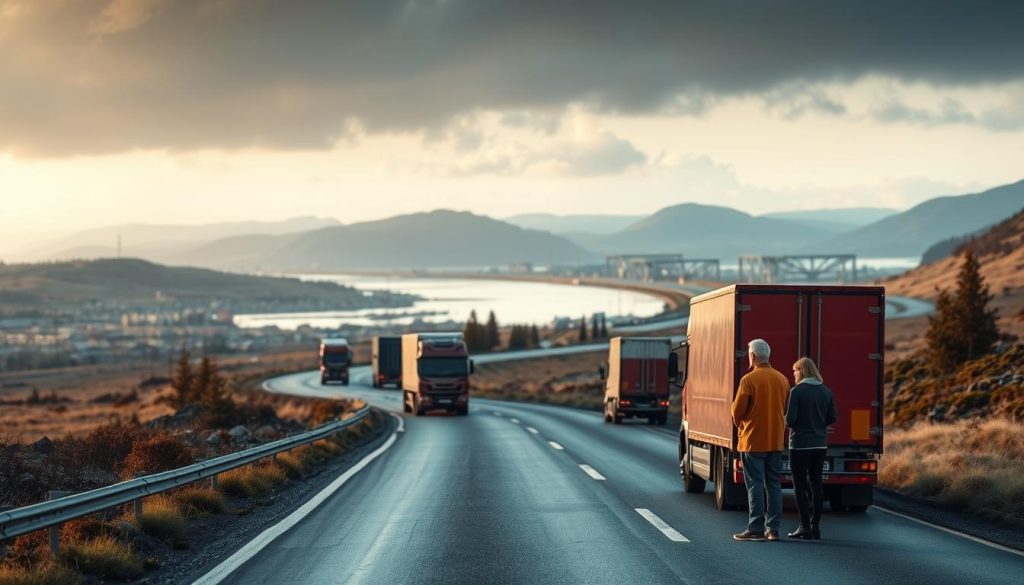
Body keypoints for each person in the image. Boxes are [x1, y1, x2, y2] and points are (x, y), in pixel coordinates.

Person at [731, 339, 789, 542]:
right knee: (774, 484)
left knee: (755, 484)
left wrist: (740, 424)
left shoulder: (748, 380)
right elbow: (786, 409)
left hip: (753, 441)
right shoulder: (782, 379)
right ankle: (773, 529)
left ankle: (755, 527)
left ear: (753, 356)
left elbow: (737, 412)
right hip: (775, 440)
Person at [785, 357, 837, 540]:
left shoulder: (797, 392)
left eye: (795, 371)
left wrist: (785, 420)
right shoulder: (826, 391)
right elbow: (832, 417)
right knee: (816, 484)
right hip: (820, 444)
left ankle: (804, 526)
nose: (793, 375)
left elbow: (790, 420)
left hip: (799, 445)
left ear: (802, 371)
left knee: (799, 486)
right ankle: (816, 526)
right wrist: (818, 424)